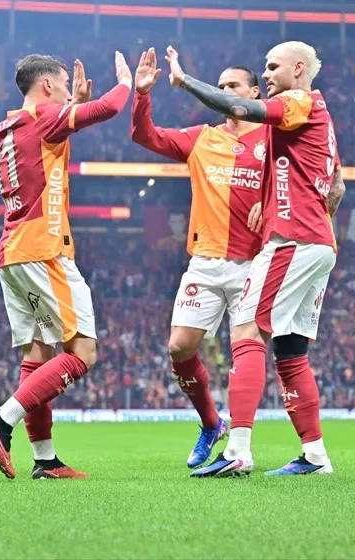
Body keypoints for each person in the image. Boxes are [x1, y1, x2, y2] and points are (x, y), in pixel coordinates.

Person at [165, 41, 345, 477]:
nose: (265, 75)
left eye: (272, 66)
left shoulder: (298, 101)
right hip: (319, 242)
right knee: (290, 350)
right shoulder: (319, 115)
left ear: (298, 69)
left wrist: (185, 81)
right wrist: (282, 202)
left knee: (247, 331)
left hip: (292, 241)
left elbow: (240, 109)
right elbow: (337, 185)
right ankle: (315, 456)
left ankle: (238, 450)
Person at [0, 51, 133, 480]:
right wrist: (125, 83)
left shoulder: (9, 125)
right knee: (83, 353)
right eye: (64, 85)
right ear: (46, 85)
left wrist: (72, 105)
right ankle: (2, 419)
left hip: (13, 252)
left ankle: (45, 460)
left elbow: (45, 153)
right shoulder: (43, 116)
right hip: (43, 250)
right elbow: (109, 108)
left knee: (38, 355)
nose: (68, 91)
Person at [130, 47, 265, 468]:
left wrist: (273, 205)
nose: (224, 91)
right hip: (205, 261)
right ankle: (211, 423)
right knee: (179, 348)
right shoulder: (202, 138)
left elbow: (301, 182)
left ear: (254, 93)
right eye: (220, 85)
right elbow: (146, 136)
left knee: (246, 347)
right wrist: (142, 95)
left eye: (233, 85)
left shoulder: (273, 139)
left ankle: (239, 446)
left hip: (254, 263)